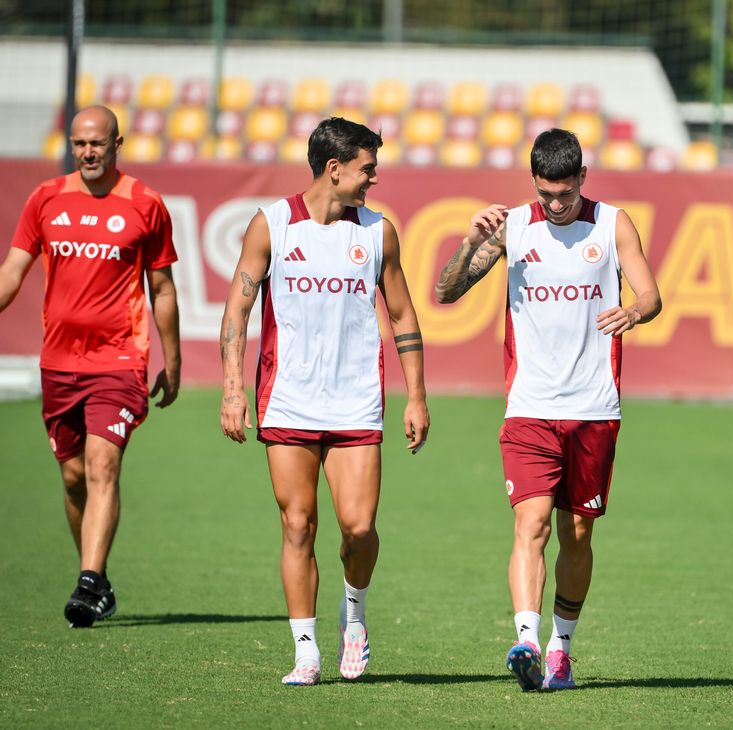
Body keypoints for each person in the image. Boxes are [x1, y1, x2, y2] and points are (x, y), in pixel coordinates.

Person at [435, 128, 661, 692]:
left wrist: (632, 314)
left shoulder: (613, 224)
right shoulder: (512, 226)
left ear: (582, 178)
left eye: (564, 193)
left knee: (578, 533)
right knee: (530, 523)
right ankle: (527, 640)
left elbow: (652, 296)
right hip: (529, 406)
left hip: (594, 407)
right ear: (533, 184)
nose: (555, 204)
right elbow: (446, 291)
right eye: (544, 194)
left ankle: (561, 648)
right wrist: (469, 242)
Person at [219, 117, 429, 686]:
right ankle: (306, 650)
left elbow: (404, 315)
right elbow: (237, 309)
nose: (374, 179)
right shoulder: (272, 225)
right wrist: (234, 389)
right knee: (298, 526)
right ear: (334, 169)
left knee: (359, 528)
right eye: (367, 169)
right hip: (287, 402)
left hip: (356, 403)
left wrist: (416, 397)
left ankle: (353, 615)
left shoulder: (377, 232)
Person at [0, 105, 181, 628]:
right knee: (74, 476)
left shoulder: (145, 204)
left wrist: (173, 358)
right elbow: (13, 270)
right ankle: (97, 578)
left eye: (97, 143)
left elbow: (162, 289)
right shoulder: (46, 199)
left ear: (116, 143)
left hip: (119, 361)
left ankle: (88, 580)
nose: (88, 152)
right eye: (79, 144)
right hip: (58, 363)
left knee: (103, 465)